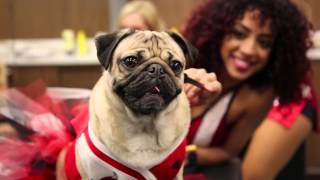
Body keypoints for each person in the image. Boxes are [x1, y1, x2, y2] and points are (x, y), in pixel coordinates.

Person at [182, 0, 318, 179]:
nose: (249, 50)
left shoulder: (259, 95)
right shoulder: (187, 64)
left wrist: (186, 155)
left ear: (276, 50)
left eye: (264, 42)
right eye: (239, 33)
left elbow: (228, 152)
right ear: (217, 31)